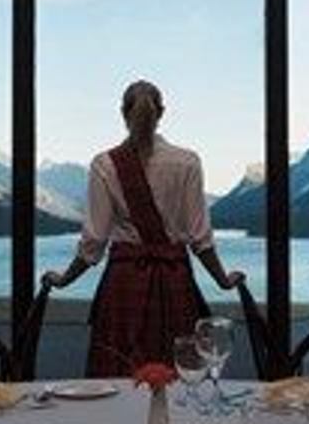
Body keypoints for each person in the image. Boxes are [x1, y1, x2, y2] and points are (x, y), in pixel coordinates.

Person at [41, 80, 244, 377]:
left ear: (123, 113)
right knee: (179, 375)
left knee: (117, 372)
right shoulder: (187, 162)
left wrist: (64, 279)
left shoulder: (104, 164)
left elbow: (94, 241)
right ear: (162, 112)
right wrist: (223, 280)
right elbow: (201, 239)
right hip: (175, 278)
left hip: (125, 282)